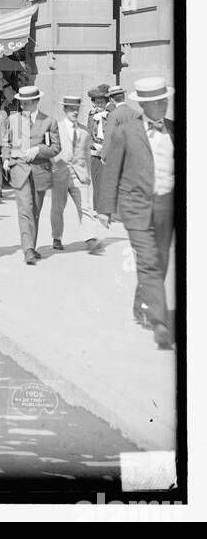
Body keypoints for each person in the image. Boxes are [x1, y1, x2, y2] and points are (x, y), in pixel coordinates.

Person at [97, 76, 175, 349]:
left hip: (166, 205)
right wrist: (105, 209)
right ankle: (159, 322)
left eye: (165, 100)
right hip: (136, 205)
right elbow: (111, 170)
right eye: (157, 102)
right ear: (144, 105)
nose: (163, 105)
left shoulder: (174, 130)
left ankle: (141, 303)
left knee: (162, 260)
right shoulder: (126, 131)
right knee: (149, 260)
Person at [6, 85, 60, 264]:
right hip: (19, 169)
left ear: (36, 101)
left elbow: (56, 148)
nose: (22, 105)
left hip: (39, 171)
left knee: (35, 210)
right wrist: (6, 158)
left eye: (25, 102)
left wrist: (38, 149)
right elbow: (5, 141)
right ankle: (28, 249)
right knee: (24, 209)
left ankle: (32, 246)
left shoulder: (49, 121)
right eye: (20, 102)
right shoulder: (13, 119)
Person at [51, 94, 104, 253]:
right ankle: (57, 237)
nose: (75, 112)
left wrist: (86, 174)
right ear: (64, 110)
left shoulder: (85, 131)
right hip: (60, 173)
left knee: (86, 208)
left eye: (77, 109)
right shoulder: (56, 127)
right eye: (71, 109)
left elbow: (87, 155)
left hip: (79, 175)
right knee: (57, 207)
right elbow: (51, 150)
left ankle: (91, 239)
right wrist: (52, 167)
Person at [86, 84, 111, 202]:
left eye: (102, 102)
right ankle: (97, 208)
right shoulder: (91, 115)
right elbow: (88, 134)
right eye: (97, 102)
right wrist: (93, 144)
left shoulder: (111, 114)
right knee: (96, 179)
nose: (99, 104)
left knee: (107, 180)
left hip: (109, 152)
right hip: (95, 152)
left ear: (106, 102)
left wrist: (105, 147)